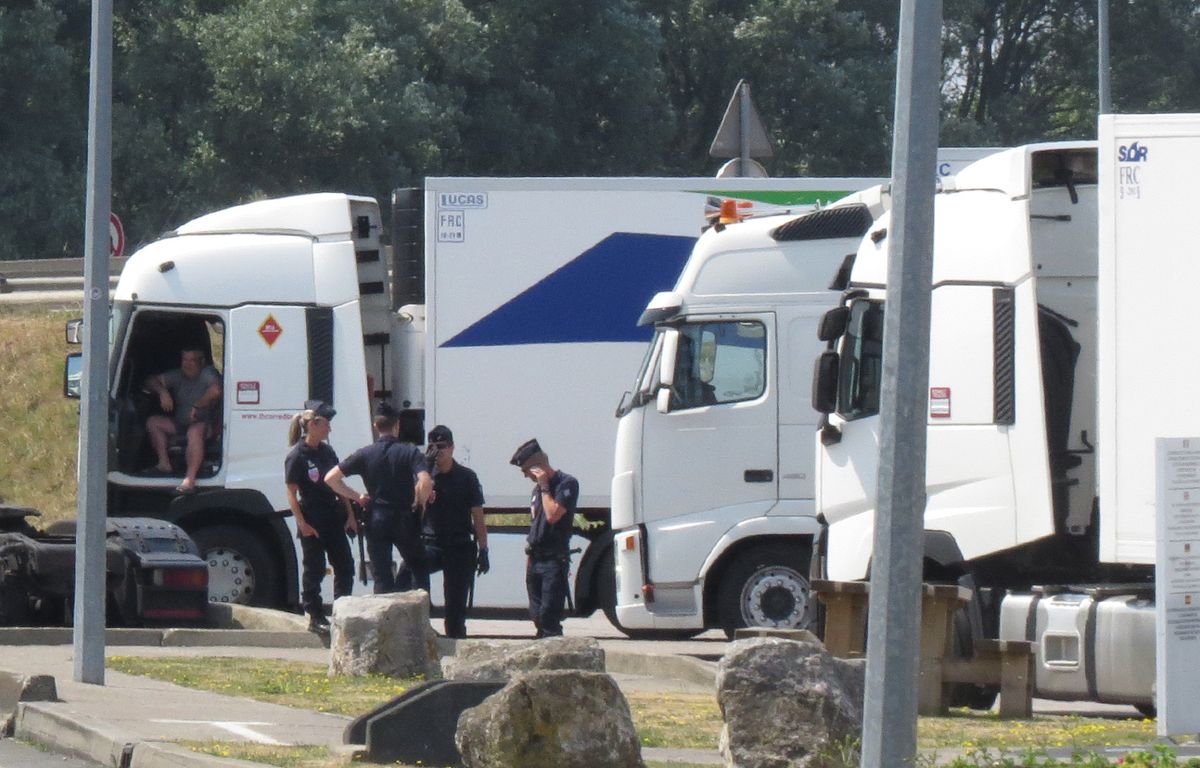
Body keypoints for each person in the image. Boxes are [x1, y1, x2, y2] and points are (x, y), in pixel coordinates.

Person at [324, 403, 432, 594]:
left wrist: (357, 497)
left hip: (376, 519)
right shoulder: (409, 451)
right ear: (397, 425)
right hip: (404, 518)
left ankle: (383, 611)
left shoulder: (364, 453)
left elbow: (330, 479)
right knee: (418, 567)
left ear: (376, 426)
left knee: (382, 576)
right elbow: (425, 481)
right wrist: (420, 503)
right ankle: (420, 609)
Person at [283, 401, 357, 633]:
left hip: (333, 515)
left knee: (345, 565)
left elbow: (338, 484)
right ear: (313, 425)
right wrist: (302, 523)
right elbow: (291, 493)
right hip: (311, 517)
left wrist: (350, 515)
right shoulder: (297, 456)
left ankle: (341, 611)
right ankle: (315, 615)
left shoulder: (327, 452)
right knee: (314, 568)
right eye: (326, 424)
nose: (329, 429)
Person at [409, 425, 488, 638]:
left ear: (452, 448)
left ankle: (456, 641)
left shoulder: (467, 477)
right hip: (431, 543)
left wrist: (483, 549)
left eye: (442, 446)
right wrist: (425, 474)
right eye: (433, 447)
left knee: (455, 610)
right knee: (412, 582)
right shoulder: (424, 477)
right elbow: (415, 505)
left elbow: (478, 516)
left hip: (458, 545)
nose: (438, 451)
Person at [510, 438, 578, 638]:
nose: (526, 476)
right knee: (537, 614)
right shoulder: (537, 491)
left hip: (553, 561)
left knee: (549, 616)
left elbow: (552, 515)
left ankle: (554, 651)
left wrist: (545, 487)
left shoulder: (566, 483)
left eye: (526, 471)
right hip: (535, 559)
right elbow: (536, 525)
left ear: (537, 467)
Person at [144, 348, 222, 494]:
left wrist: (197, 405)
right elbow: (150, 381)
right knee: (153, 422)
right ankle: (164, 464)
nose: (187, 364)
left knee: (194, 431)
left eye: (192, 360)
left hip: (206, 424)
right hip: (182, 423)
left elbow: (216, 390)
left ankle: (189, 481)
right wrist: (162, 391)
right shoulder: (178, 375)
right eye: (184, 360)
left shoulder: (208, 373)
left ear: (202, 362)